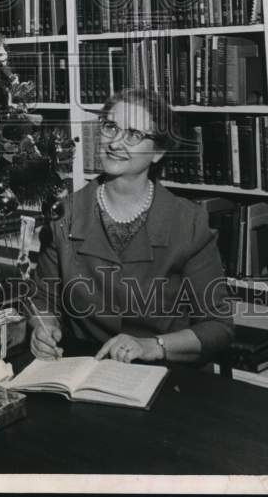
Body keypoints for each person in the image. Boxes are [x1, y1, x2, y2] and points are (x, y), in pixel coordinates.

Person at [31, 88, 234, 365]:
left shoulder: (189, 222)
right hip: (88, 366)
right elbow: (43, 298)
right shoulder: (65, 214)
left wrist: (153, 346)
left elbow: (218, 326)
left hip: (167, 372)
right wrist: (43, 328)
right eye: (111, 127)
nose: (115, 142)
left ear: (158, 152)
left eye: (134, 134)